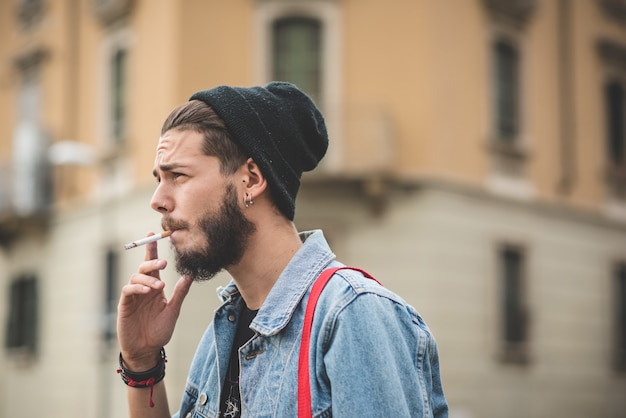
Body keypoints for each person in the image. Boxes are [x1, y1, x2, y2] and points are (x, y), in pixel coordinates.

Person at [116, 82, 448, 418]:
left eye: (178, 175)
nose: (157, 200)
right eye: (159, 179)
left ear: (251, 179)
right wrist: (142, 363)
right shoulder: (222, 334)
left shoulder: (350, 315)